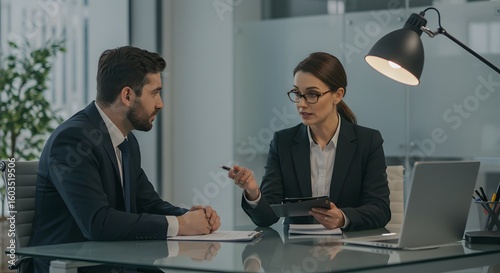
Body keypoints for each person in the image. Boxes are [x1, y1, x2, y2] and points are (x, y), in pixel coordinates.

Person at [30, 46, 221, 272]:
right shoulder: (73, 140)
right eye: (155, 92)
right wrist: (180, 225)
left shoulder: (126, 141)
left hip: (114, 263)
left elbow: (148, 204)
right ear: (127, 95)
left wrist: (191, 217)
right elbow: (97, 223)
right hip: (74, 267)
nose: (161, 104)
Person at [228, 52, 390, 231]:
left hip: (349, 250)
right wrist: (252, 191)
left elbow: (380, 209)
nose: (301, 104)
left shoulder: (368, 142)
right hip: (297, 252)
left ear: (338, 95)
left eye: (312, 94)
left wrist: (343, 218)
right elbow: (267, 218)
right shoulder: (283, 142)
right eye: (298, 93)